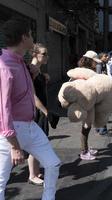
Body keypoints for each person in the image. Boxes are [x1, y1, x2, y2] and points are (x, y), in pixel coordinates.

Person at [0, 19, 61, 200]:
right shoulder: (4, 66)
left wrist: (33, 72)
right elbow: (3, 109)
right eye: (31, 34)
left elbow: (25, 93)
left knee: (53, 164)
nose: (33, 38)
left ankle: (48, 197)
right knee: (1, 180)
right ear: (24, 37)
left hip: (29, 125)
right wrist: (14, 146)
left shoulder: (21, 62)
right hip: (10, 132)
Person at [27, 43, 60, 186]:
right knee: (35, 143)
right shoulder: (31, 70)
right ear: (35, 55)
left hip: (40, 111)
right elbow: (32, 96)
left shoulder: (38, 70)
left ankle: (36, 171)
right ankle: (32, 175)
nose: (47, 56)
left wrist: (43, 76)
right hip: (36, 112)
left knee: (40, 141)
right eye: (44, 53)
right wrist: (46, 112)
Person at [77, 50, 101, 160]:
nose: (96, 64)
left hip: (89, 101)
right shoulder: (83, 72)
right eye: (95, 62)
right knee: (86, 127)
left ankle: (86, 148)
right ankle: (84, 152)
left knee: (87, 126)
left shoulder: (89, 71)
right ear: (89, 61)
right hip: (85, 102)